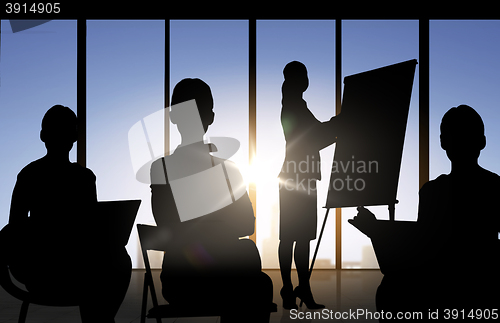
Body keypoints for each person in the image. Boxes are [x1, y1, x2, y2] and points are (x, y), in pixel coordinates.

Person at [352, 105, 500, 318]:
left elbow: (420, 251)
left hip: (436, 290)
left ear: (443, 143)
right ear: (482, 142)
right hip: (481, 289)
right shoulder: (495, 187)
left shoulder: (432, 191)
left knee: (389, 288)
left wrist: (376, 230)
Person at [150, 78, 273, 322]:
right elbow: (244, 223)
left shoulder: (162, 168)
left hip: (186, 277)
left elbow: (170, 225)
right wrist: (220, 223)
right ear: (212, 116)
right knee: (255, 282)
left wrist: (197, 223)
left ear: (173, 117)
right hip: (196, 277)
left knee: (252, 277)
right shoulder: (229, 171)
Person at [4, 105, 131, 323]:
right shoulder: (84, 178)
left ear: (43, 135)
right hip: (78, 270)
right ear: (75, 137)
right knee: (120, 259)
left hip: (40, 272)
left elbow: (14, 229)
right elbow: (92, 229)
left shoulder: (28, 175)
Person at [278, 61, 340, 310]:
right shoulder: (293, 107)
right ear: (297, 79)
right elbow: (313, 137)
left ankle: (295, 288)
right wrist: (337, 125)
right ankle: (293, 287)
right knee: (295, 237)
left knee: (297, 237)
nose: (306, 80)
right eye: (303, 75)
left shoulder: (295, 106)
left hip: (297, 177)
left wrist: (334, 127)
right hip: (297, 179)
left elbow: (315, 136)